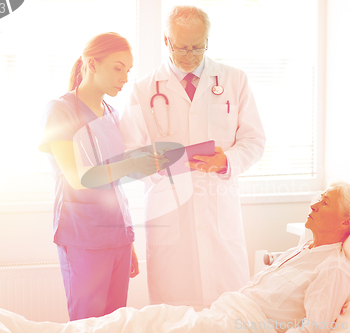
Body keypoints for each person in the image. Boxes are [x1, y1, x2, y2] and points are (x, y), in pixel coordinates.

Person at [0, 182, 350, 333]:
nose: (315, 203)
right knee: (127, 322)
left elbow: (316, 329)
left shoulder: (333, 266)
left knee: (130, 324)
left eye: (326, 200)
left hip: (231, 328)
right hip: (216, 318)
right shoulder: (305, 250)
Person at [119, 5, 266, 309]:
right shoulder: (143, 89)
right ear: (166, 41)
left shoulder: (233, 80)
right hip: (170, 214)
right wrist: (160, 163)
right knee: (173, 317)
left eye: (198, 47)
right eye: (182, 47)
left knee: (228, 313)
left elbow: (254, 140)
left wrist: (226, 162)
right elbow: (130, 154)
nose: (190, 55)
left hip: (218, 214)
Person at [37, 32, 165, 321]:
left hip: (117, 237)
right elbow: (77, 178)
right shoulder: (60, 110)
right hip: (82, 236)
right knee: (87, 323)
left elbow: (114, 186)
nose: (124, 77)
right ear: (91, 64)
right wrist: (133, 162)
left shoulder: (112, 113)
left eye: (128, 70)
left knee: (116, 323)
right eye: (117, 68)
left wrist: (127, 241)